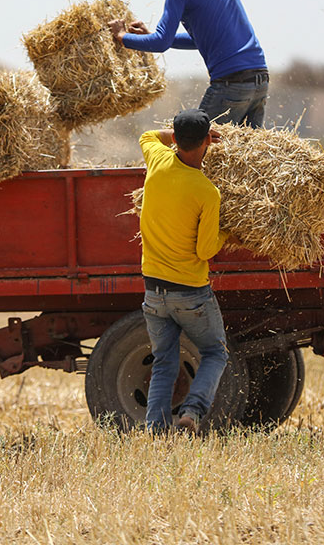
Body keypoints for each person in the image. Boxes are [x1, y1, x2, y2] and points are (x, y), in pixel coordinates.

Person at [110, 0, 269, 127]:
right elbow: (201, 39)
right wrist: (150, 35)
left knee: (194, 150)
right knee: (240, 155)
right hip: (260, 80)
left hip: (231, 84)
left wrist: (122, 36)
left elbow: (160, 43)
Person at [137, 109, 231, 434]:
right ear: (207, 141)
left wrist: (173, 134)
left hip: (153, 290)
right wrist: (226, 233)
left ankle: (155, 429)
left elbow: (147, 136)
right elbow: (205, 251)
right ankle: (191, 412)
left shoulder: (158, 161)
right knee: (214, 352)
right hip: (190, 292)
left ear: (175, 139)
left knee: (164, 362)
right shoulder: (207, 192)